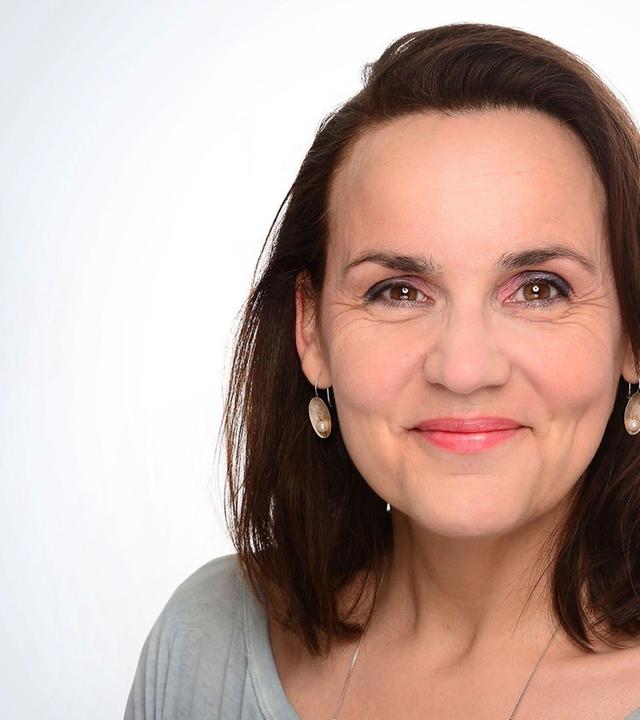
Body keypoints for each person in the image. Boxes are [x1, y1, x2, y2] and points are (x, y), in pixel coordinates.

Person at [123, 22, 640, 720]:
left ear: (632, 334)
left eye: (539, 289)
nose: (464, 369)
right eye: (398, 292)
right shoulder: (205, 642)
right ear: (312, 331)